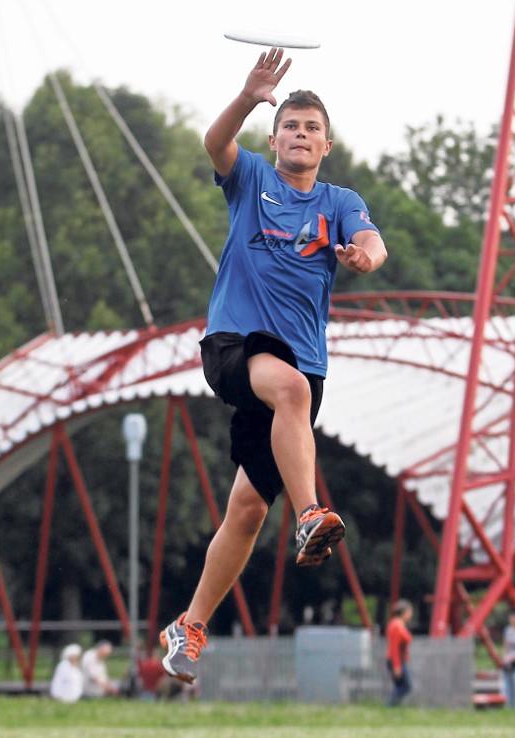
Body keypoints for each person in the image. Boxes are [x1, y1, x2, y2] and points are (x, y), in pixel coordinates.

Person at [160, 47, 387, 685]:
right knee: (286, 388)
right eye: (291, 125)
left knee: (249, 509)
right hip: (237, 343)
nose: (301, 134)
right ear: (273, 136)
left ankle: (191, 624)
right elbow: (214, 140)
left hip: (304, 362)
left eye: (312, 128)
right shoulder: (251, 177)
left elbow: (373, 239)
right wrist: (246, 92)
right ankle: (311, 514)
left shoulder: (340, 201)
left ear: (327, 144)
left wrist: (366, 256)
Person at [385, 599, 414, 706]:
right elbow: (394, 648)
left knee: (400, 686)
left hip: (398, 660)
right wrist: (397, 666)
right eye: (410, 612)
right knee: (407, 686)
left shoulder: (397, 625)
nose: (411, 615)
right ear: (405, 612)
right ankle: (391, 706)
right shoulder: (396, 626)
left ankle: (393, 707)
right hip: (397, 660)